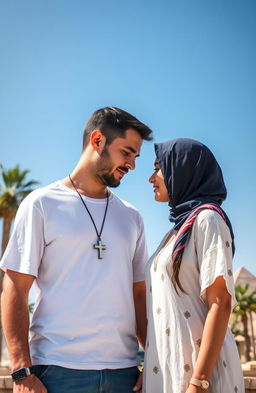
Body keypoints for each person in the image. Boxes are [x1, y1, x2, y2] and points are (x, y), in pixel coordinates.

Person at [0, 106, 153, 393]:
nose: (132, 165)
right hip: (56, 374)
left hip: (124, 376)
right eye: (127, 152)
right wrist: (22, 371)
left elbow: (140, 294)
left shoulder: (132, 217)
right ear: (97, 141)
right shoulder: (41, 204)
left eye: (135, 157)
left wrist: (153, 362)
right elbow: (15, 288)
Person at [143, 138, 244, 393]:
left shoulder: (207, 219)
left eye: (158, 168)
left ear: (183, 169)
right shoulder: (173, 234)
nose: (151, 178)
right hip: (169, 370)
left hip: (200, 377)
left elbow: (220, 303)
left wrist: (198, 383)